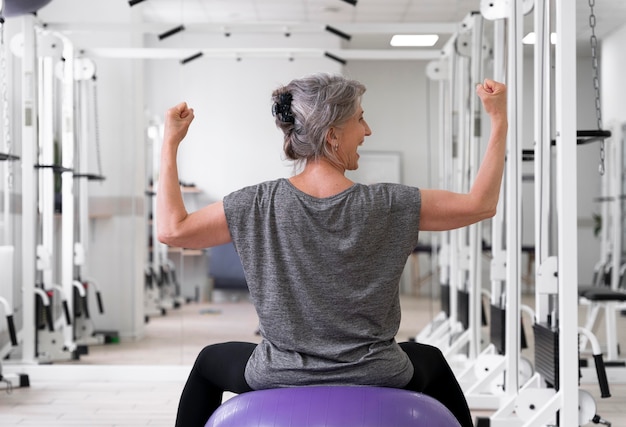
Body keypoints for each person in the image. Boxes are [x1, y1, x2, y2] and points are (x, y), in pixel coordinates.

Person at [157, 73, 507, 427]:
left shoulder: (255, 203)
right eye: (360, 119)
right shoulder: (390, 203)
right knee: (430, 358)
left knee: (207, 363)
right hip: (376, 370)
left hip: (280, 371)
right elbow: (482, 204)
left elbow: (172, 231)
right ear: (332, 135)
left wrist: (171, 142)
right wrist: (498, 119)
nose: (367, 131)